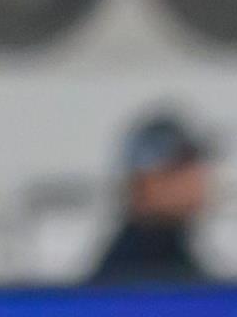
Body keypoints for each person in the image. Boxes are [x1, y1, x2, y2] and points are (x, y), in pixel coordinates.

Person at [90, 110, 219, 285]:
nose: (197, 175)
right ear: (143, 182)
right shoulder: (130, 270)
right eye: (181, 166)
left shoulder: (177, 252)